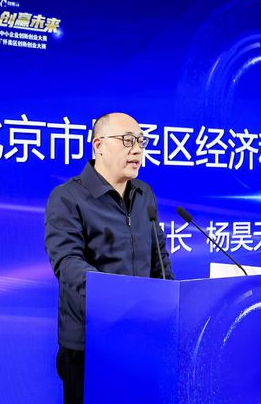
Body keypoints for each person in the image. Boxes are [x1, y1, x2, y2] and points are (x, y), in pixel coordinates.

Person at [44, 112, 175, 404]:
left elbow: (159, 257)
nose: (137, 150)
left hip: (143, 339)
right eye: (128, 141)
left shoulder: (144, 193)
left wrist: (168, 303)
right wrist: (123, 300)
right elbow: (67, 263)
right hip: (90, 344)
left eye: (141, 141)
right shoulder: (67, 197)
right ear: (99, 145)